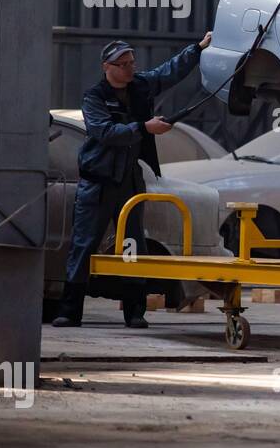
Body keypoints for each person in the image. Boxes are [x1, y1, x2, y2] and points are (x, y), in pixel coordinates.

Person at [52, 33, 212, 328]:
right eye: (123, 64)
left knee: (132, 245)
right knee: (84, 243)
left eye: (132, 63)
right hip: (98, 181)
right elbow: (105, 132)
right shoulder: (94, 97)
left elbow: (169, 71)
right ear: (106, 67)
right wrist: (144, 127)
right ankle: (70, 311)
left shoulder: (140, 86)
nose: (129, 69)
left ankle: (135, 312)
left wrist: (197, 49)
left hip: (129, 181)